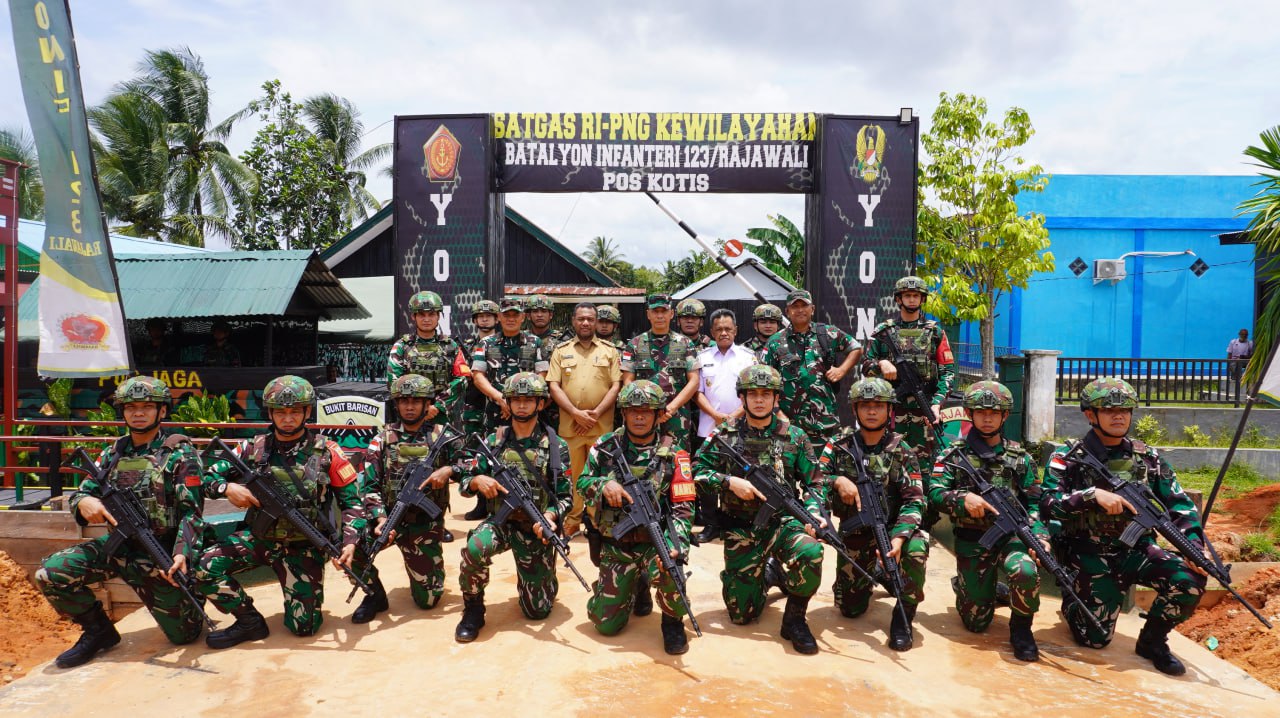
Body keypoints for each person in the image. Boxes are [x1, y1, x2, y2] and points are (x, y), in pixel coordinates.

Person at [1042, 377, 1209, 676]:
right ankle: (1073, 599)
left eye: (1125, 410)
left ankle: (1152, 641)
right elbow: (1047, 503)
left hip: (1138, 550)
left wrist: (1193, 547)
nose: (1119, 416)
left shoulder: (1147, 458)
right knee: (1095, 639)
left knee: (1189, 580)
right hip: (1089, 553)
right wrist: (1090, 496)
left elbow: (1180, 506)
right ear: (1090, 414)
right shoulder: (1068, 457)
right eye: (1109, 410)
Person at [35, 376, 206, 668]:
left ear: (162, 410)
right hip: (119, 548)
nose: (138, 413)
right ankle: (98, 631)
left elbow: (192, 513)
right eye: (130, 407)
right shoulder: (112, 453)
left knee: (184, 636)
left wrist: (182, 554)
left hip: (161, 555)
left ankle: (192, 599)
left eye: (146, 407)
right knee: (51, 573)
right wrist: (84, 502)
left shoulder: (180, 454)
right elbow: (82, 493)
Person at [195, 375, 366, 648]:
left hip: (304, 545)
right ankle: (249, 621)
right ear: (270, 413)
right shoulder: (253, 448)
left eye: (295, 411)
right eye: (280, 412)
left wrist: (349, 542)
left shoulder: (327, 451)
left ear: (307, 412)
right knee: (203, 566)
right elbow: (203, 476)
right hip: (259, 539)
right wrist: (226, 487)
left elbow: (352, 504)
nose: (288, 418)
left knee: (304, 628)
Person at [692, 365, 826, 655]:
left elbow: (816, 482)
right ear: (742, 398)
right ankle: (769, 573)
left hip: (784, 522)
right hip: (741, 526)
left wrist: (814, 511)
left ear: (776, 398)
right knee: (742, 615)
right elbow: (695, 471)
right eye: (753, 394)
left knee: (811, 551)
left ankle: (795, 619)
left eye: (767, 394)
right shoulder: (725, 435)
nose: (760, 400)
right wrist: (729, 482)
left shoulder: (795, 436)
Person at [929, 381, 1046, 661]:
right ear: (970, 414)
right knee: (976, 623)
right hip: (973, 541)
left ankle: (1021, 628)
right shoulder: (953, 454)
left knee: (1025, 571)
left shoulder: (1019, 457)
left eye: (994, 412)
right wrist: (963, 499)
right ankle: (972, 587)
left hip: (1011, 538)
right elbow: (934, 492)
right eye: (981, 412)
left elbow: (1036, 501)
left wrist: (1040, 535)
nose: (987, 418)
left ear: (1005, 416)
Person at [579, 380, 696, 654]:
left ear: (658, 415)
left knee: (672, 570)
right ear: (624, 413)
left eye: (646, 411)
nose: (639, 417)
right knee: (605, 625)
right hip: (617, 546)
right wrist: (603, 485)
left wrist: (675, 547)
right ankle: (635, 586)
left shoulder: (675, 454)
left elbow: (683, 508)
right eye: (633, 411)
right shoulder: (604, 446)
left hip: (655, 545)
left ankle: (672, 622)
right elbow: (582, 483)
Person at [455, 373, 573, 642]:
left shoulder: (556, 446)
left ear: (540, 404)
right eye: (516, 399)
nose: (521, 405)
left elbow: (566, 498)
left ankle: (543, 578)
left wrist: (550, 515)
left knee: (537, 612)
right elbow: (463, 482)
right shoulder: (493, 441)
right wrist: (476, 480)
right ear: (507, 403)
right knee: (475, 548)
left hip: (535, 529)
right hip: (501, 523)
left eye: (528, 400)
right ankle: (473, 609)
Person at [349, 374, 468, 624]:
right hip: (389, 520)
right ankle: (373, 594)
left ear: (427, 404)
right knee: (348, 544)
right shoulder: (382, 439)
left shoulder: (442, 436)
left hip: (424, 525)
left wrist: (449, 470)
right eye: (404, 401)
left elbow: (471, 463)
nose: (410, 407)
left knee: (428, 601)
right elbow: (369, 485)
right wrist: (380, 518)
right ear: (397, 404)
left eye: (416, 401)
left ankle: (426, 573)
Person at [820, 377, 928, 651]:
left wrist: (899, 538)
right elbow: (815, 480)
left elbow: (915, 500)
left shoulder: (902, 450)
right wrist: (837, 480)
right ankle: (874, 572)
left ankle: (903, 615)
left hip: (890, 532)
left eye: (878, 406)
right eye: (865, 405)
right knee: (850, 610)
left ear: (889, 410)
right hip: (855, 532)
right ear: (855, 409)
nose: (871, 411)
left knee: (917, 548)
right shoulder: (840, 444)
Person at [546, 302, 622, 537]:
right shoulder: (561, 351)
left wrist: (595, 414)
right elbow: (553, 386)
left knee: (599, 476)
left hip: (601, 427)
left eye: (590, 319)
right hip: (571, 427)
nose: (586, 323)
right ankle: (572, 519)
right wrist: (575, 413)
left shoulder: (610, 351)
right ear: (573, 321)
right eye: (581, 319)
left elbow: (616, 385)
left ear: (596, 322)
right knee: (573, 476)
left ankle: (596, 520)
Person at [862, 276, 956, 463]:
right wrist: (881, 364)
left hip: (925, 411)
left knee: (924, 466)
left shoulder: (935, 333)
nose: (912, 299)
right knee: (888, 463)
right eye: (907, 295)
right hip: (891, 412)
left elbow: (948, 372)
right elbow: (866, 365)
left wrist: (936, 404)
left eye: (916, 295)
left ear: (922, 299)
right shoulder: (884, 331)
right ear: (899, 299)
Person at [759, 289, 861, 449]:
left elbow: (856, 348)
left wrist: (841, 370)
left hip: (824, 424)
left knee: (826, 464)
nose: (800, 310)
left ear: (812, 309)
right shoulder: (775, 342)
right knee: (788, 464)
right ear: (787, 311)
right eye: (795, 306)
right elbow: (765, 383)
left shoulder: (827, 333)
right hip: (789, 426)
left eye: (804, 305)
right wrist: (777, 412)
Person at [692, 308, 757, 544]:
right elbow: (696, 392)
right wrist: (716, 415)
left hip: (740, 427)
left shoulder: (748, 357)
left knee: (737, 475)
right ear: (711, 331)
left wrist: (734, 416)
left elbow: (752, 391)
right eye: (718, 329)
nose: (723, 333)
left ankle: (733, 523)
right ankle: (711, 524)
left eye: (728, 328)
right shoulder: (702, 357)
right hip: (709, 428)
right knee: (707, 478)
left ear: (736, 330)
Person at [621, 293, 700, 452]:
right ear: (648, 314)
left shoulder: (685, 343)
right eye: (655, 311)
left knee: (678, 458)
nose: (659, 316)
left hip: (676, 417)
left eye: (663, 311)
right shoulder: (635, 344)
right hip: (644, 416)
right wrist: (647, 407)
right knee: (643, 458)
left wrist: (672, 407)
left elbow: (694, 381)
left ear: (671, 314)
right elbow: (627, 382)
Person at [386, 290, 467, 427]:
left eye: (431, 314)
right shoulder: (402, 346)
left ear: (438, 316)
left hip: (442, 418)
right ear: (413, 316)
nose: (426, 319)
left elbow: (462, 379)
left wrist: (438, 405)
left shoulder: (450, 346)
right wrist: (419, 408)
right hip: (410, 418)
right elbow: (393, 381)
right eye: (422, 314)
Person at [470, 298, 549, 436]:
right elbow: (477, 376)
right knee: (494, 446)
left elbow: (543, 374)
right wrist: (500, 398)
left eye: (515, 315)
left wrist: (517, 402)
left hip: (526, 410)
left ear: (523, 317)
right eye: (506, 315)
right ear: (499, 317)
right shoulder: (485, 343)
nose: (511, 319)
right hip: (496, 412)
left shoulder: (535, 342)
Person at [461, 299, 501, 521]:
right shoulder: (465, 345)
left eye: (489, 316)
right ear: (475, 320)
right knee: (476, 453)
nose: (485, 319)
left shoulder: (501, 343)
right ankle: (481, 503)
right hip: (474, 407)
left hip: (498, 407)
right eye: (480, 316)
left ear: (496, 319)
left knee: (499, 453)